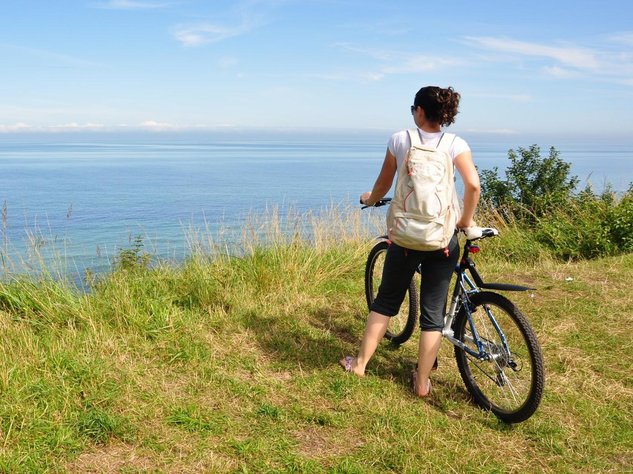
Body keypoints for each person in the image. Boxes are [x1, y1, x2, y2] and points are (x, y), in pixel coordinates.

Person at [339, 85, 481, 397]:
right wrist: (465, 221)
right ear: (445, 114)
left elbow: (382, 184)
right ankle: (421, 383)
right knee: (433, 314)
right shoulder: (455, 144)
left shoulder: (400, 139)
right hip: (441, 241)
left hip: (404, 239)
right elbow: (473, 186)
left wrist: (369, 198)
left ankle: (360, 364)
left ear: (418, 110)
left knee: (386, 301)